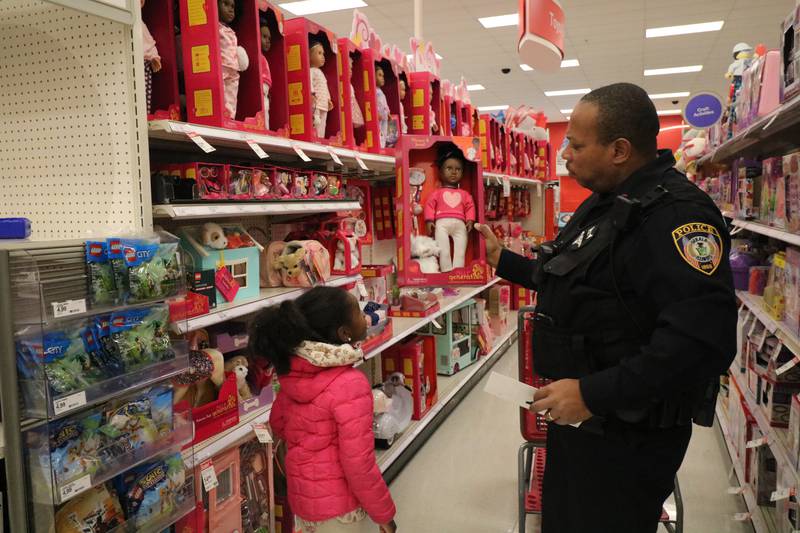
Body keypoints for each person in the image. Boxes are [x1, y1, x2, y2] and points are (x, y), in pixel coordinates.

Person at [476, 82, 737, 533]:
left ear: (619, 149)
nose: (565, 155)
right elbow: (576, 277)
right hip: (585, 420)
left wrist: (592, 394)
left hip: (626, 435)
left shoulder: (676, 217)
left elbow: (700, 344)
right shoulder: (610, 202)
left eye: (576, 145)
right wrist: (506, 263)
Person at [249, 287, 397, 533]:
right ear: (345, 333)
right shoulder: (350, 384)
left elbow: (279, 424)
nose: (364, 316)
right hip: (341, 510)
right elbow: (358, 464)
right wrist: (384, 515)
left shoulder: (292, 373)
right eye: (359, 313)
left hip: (304, 504)